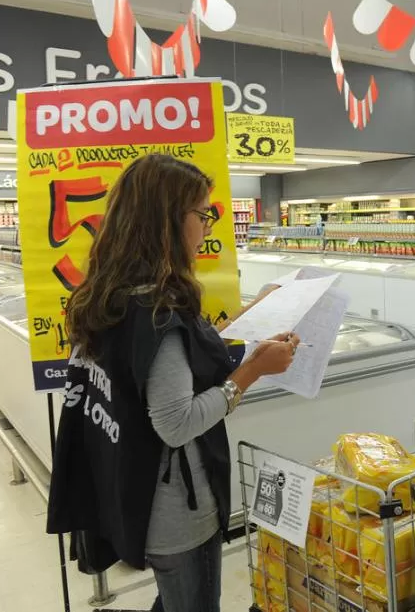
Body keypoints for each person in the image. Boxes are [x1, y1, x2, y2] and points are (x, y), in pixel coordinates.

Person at [46, 154, 299, 612]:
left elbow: (168, 362)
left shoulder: (107, 293)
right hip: (177, 509)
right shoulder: (158, 308)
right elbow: (175, 423)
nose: (207, 226)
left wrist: (249, 319)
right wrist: (252, 371)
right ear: (166, 220)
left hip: (128, 487)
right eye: (202, 214)